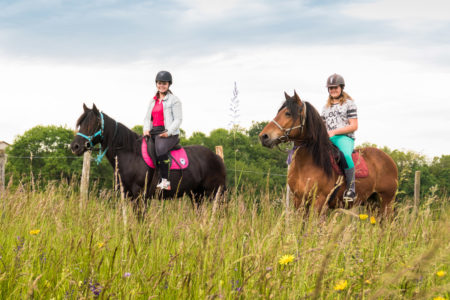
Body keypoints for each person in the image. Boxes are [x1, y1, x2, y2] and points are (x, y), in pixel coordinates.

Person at [321, 73, 358, 202]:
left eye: (335, 87)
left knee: (345, 155)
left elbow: (354, 126)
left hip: (345, 138)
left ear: (341, 88)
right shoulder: (325, 108)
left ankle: (351, 189)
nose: (333, 90)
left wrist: (335, 132)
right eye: (331, 88)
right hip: (328, 138)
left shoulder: (349, 104)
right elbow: (323, 127)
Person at [143, 71, 182, 190]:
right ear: (156, 84)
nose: (162, 85)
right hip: (154, 131)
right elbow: (147, 118)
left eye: (164, 83)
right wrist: (146, 129)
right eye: (159, 83)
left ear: (169, 84)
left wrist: (168, 132)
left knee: (160, 149)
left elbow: (178, 119)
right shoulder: (153, 100)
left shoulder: (174, 100)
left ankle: (165, 181)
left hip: (168, 133)